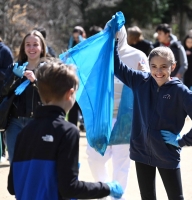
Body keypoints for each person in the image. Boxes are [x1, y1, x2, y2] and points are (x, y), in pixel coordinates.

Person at [114, 31, 192, 199]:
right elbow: (117, 67)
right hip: (141, 151)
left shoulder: (181, 92)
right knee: (147, 196)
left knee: (176, 197)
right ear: (148, 65)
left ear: (172, 67)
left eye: (164, 67)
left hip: (167, 153)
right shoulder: (140, 81)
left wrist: (181, 141)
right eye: (154, 67)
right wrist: (114, 40)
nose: (158, 71)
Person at [7, 58, 123, 200]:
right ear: (70, 93)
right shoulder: (68, 131)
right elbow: (69, 189)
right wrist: (106, 188)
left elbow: (12, 186)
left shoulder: (24, 132)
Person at [86, 26, 149, 200]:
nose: (113, 36)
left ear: (123, 33)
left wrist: (144, 75)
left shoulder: (137, 55)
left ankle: (116, 197)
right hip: (102, 118)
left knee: (122, 163)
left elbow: (148, 84)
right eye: (109, 32)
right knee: (94, 157)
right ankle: (105, 189)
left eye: (116, 32)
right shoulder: (97, 55)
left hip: (127, 118)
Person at [0, 30, 47, 162]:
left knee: (35, 163)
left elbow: (52, 96)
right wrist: (14, 76)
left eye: (35, 44)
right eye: (28, 44)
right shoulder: (14, 67)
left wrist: (35, 82)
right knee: (16, 164)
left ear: (42, 47)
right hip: (14, 123)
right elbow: (3, 92)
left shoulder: (48, 69)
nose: (31, 48)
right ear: (23, 47)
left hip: (38, 123)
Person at [67, 26, 86, 131]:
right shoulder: (71, 44)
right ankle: (72, 127)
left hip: (83, 79)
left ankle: (84, 123)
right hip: (73, 77)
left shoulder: (86, 43)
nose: (76, 39)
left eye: (77, 37)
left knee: (82, 104)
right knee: (73, 103)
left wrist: (81, 40)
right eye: (74, 37)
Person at [0, 36, 13, 161]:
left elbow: (9, 75)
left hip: (2, 93)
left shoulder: (4, 51)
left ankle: (3, 152)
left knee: (2, 125)